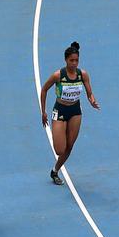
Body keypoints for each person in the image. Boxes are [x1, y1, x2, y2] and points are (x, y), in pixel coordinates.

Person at [40, 41, 100, 185]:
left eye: (76, 60)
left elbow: (89, 93)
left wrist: (92, 101)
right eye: (71, 60)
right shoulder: (58, 75)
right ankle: (58, 157)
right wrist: (43, 112)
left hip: (75, 111)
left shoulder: (82, 75)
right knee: (60, 149)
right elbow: (43, 90)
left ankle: (55, 170)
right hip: (60, 110)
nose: (74, 63)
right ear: (65, 60)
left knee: (70, 145)